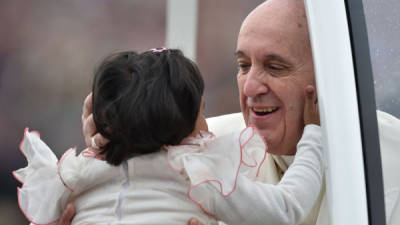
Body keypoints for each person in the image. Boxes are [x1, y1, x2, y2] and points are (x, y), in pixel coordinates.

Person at [65, 0, 400, 224]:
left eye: (274, 66)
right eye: (243, 65)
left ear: (329, 77)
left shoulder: (391, 158)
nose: (250, 87)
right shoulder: (198, 148)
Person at [16, 48, 324, 225]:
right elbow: (286, 209)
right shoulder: (198, 176)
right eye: (203, 110)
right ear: (190, 123)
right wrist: (313, 136)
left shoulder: (77, 175)